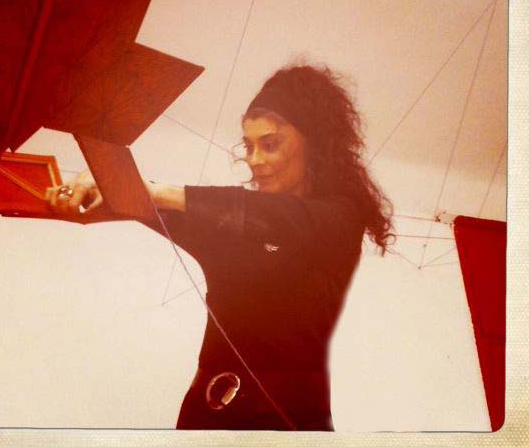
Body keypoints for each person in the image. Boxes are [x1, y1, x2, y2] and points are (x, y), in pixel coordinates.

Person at [46, 64, 393, 431]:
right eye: (249, 146)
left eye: (270, 144)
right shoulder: (231, 225)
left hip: (284, 426)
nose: (254, 160)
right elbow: (146, 203)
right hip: (203, 419)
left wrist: (149, 191)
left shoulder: (340, 218)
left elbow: (279, 218)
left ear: (315, 143)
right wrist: (94, 185)